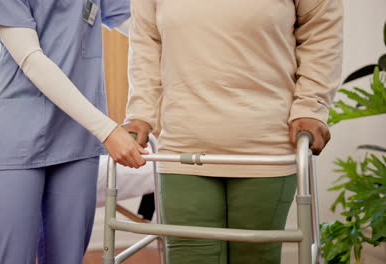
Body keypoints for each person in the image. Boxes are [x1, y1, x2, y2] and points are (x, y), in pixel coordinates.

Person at [123, 0, 343, 263]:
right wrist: (139, 114)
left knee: (254, 257)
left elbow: (322, 31)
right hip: (183, 144)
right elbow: (146, 43)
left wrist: (311, 106)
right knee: (189, 257)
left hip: (265, 145)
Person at [0, 0, 145, 263]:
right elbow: (31, 59)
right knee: (10, 257)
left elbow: (143, 27)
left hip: (77, 136)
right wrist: (107, 130)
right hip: (16, 133)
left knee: (67, 257)